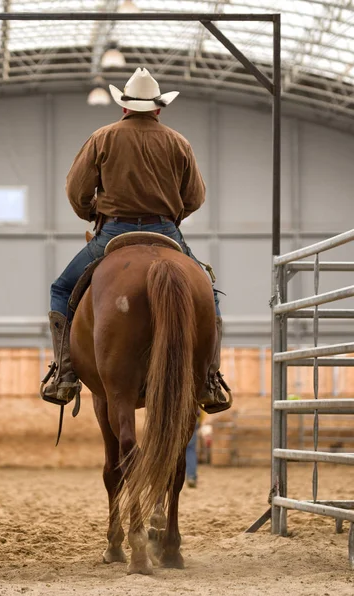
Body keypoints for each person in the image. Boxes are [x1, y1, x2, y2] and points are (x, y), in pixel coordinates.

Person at [41, 67, 232, 414]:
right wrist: (172, 217)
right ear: (158, 109)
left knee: (61, 288)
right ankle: (209, 378)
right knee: (207, 290)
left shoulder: (103, 137)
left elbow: (76, 190)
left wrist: (92, 213)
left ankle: (64, 372)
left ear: (124, 106)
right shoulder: (179, 142)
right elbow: (195, 196)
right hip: (166, 232)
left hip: (115, 231)